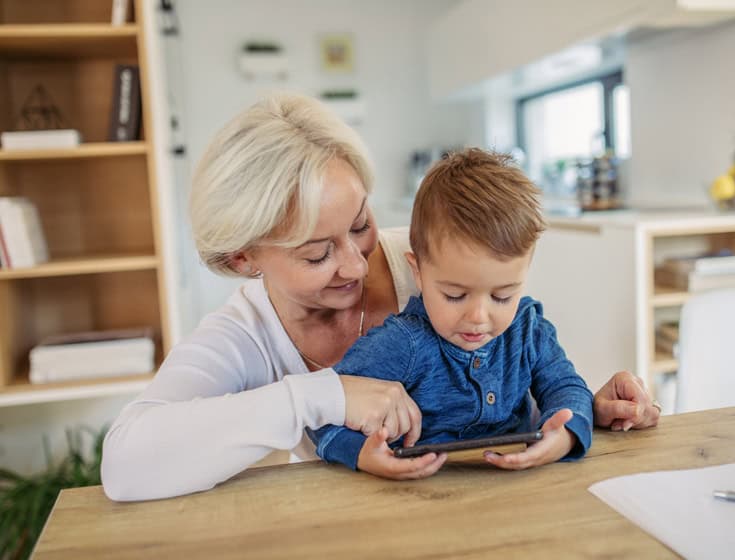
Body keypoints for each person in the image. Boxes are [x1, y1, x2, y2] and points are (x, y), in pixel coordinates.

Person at [100, 93, 659, 502]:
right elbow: (127, 465)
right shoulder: (243, 336)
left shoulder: (446, 261)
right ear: (241, 259)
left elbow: (514, 378)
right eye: (317, 253)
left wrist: (586, 405)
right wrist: (315, 398)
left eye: (361, 223)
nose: (355, 262)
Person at [313, 149, 593, 478]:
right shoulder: (401, 343)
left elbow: (568, 388)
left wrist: (566, 434)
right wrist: (363, 454)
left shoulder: (528, 329)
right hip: (421, 501)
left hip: (516, 493)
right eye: (455, 295)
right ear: (418, 273)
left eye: (503, 296)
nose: (478, 316)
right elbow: (323, 413)